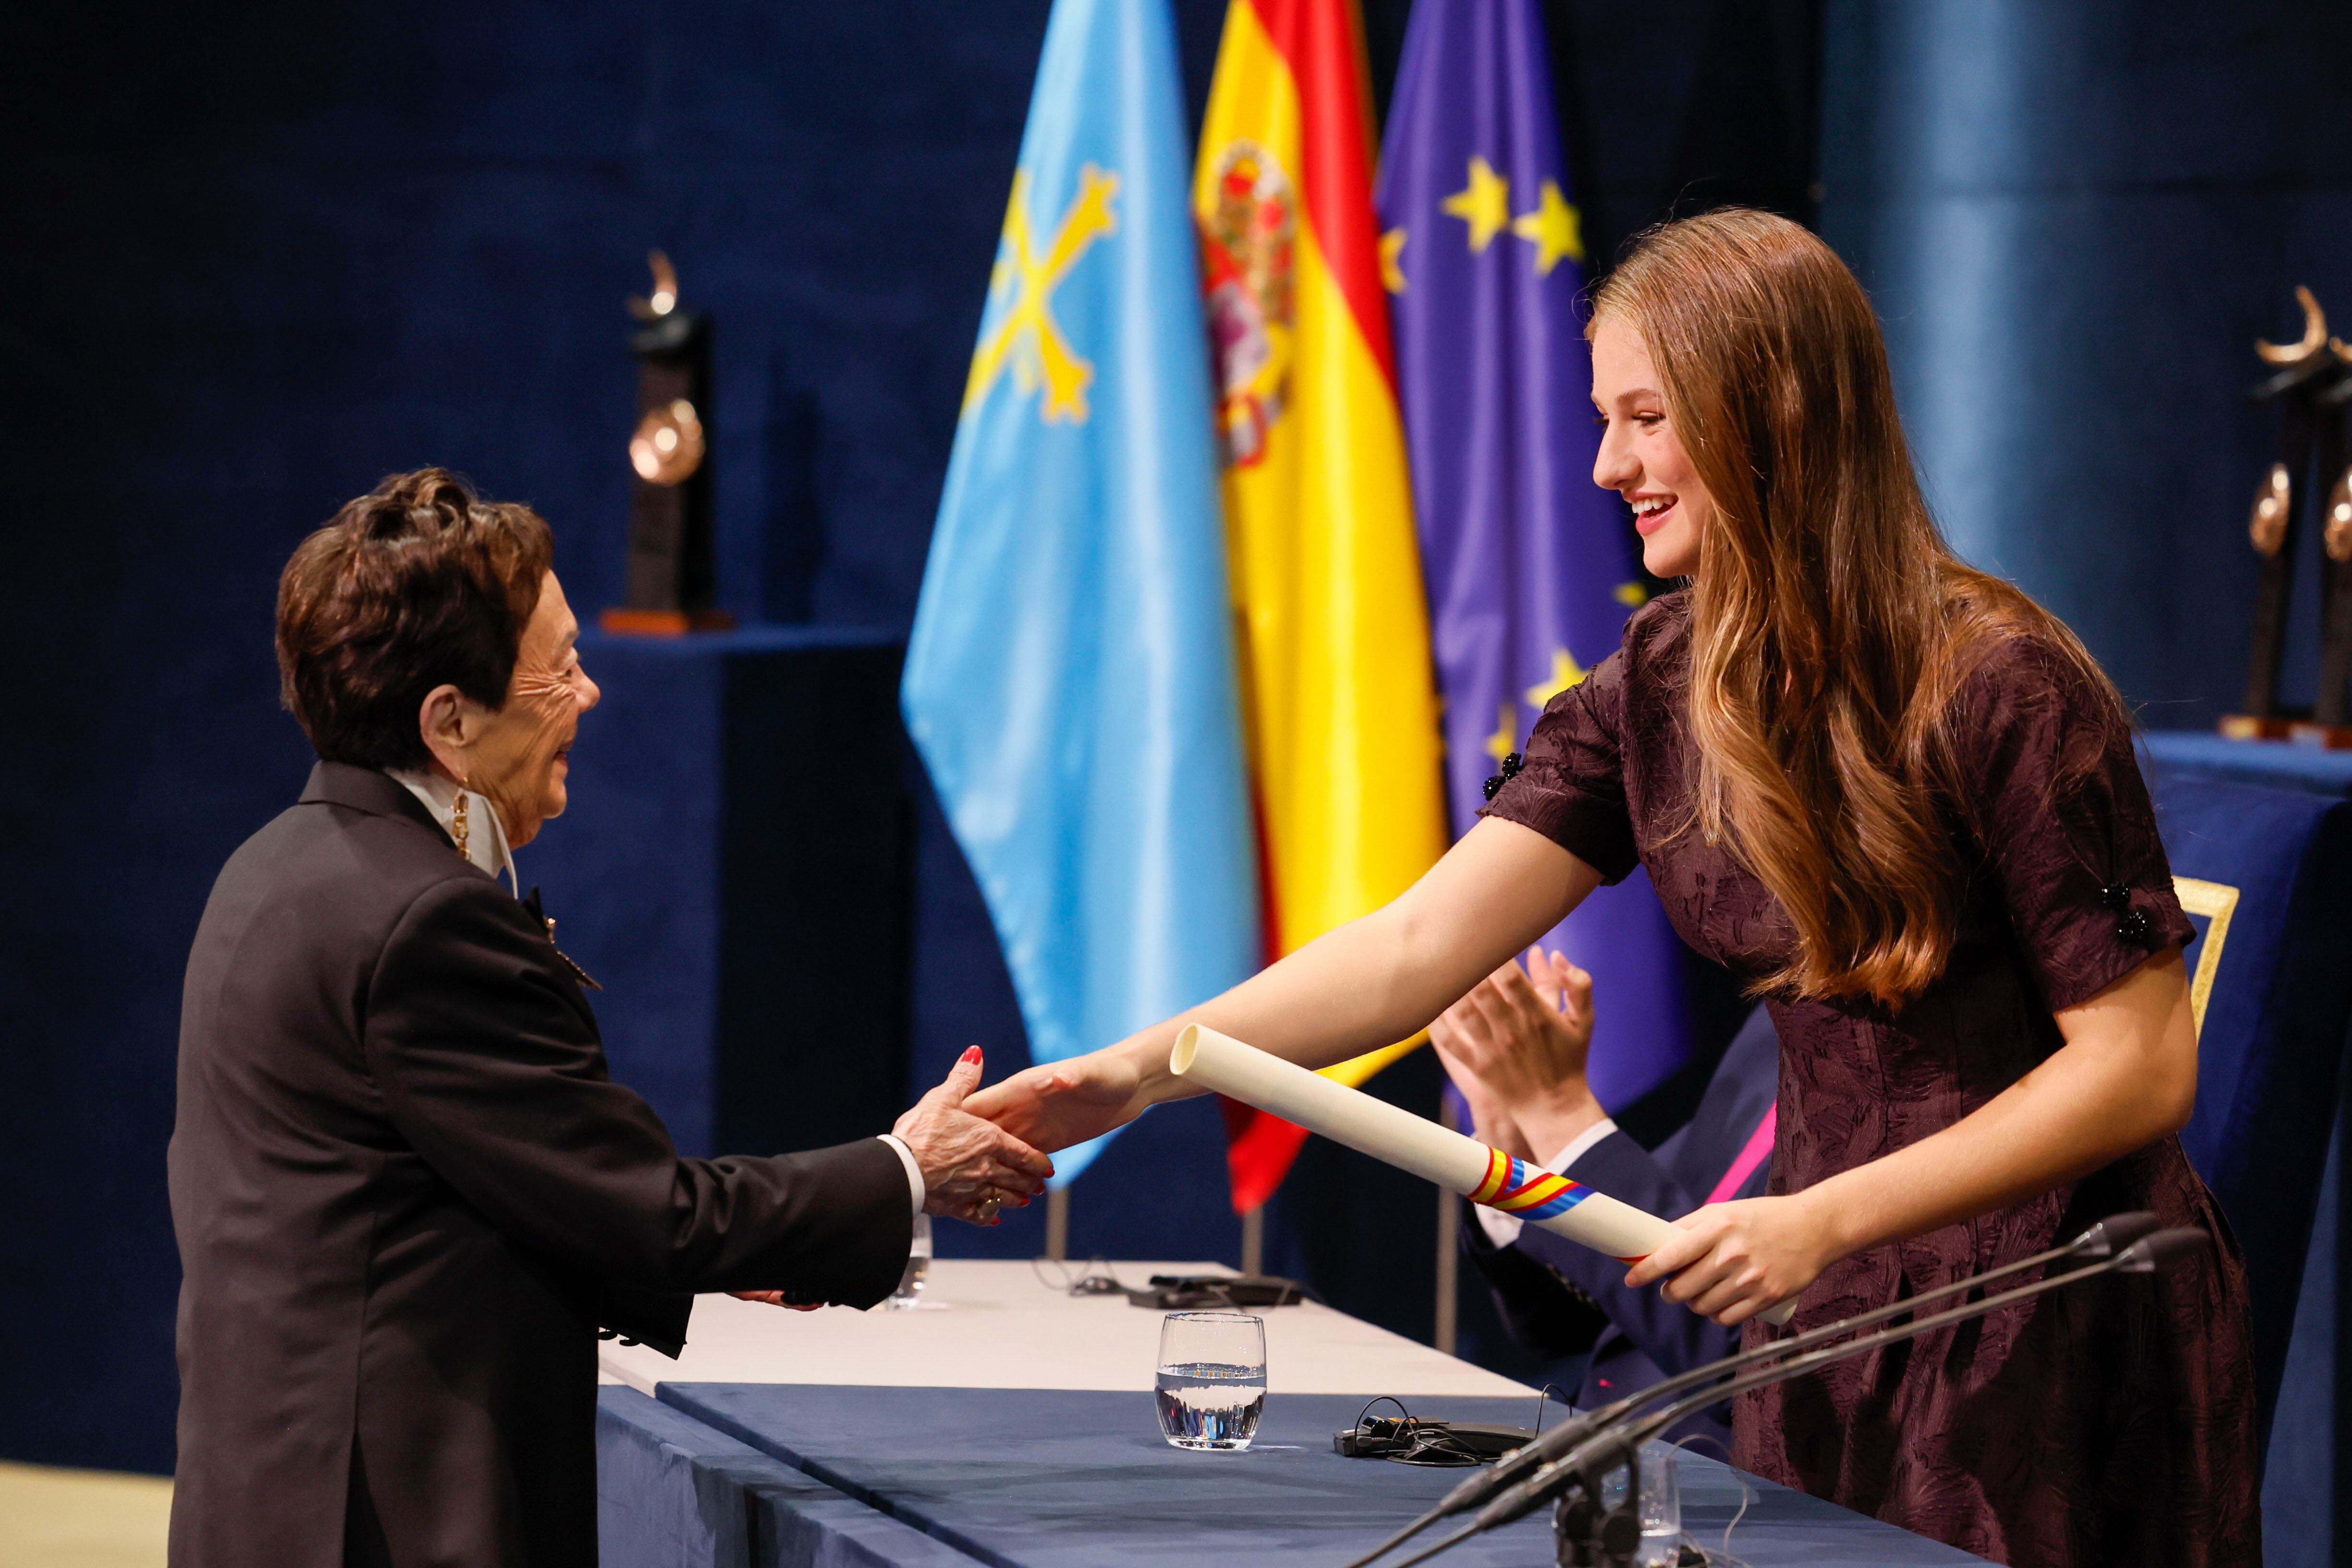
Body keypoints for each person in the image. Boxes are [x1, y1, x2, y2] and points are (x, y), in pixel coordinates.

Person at [969, 209, 2259, 1565]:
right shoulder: (1661, 680)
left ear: (1774, 409)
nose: (1607, 464)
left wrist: (1822, 1220)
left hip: (2047, 1324)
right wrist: (1132, 1075)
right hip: (1825, 1311)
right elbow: (1416, 947)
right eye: (1604, 419)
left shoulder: (2006, 684)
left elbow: (2138, 1067)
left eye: (1646, 417)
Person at [167, 470, 1054, 1568]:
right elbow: (652, 1213)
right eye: (560, 670)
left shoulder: (271, 869)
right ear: (449, 719)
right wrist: (907, 1168)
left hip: (267, 1503)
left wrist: (754, 1253)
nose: (588, 696)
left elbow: (442, 1203)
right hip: (394, 1520)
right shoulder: (425, 921)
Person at [1432, 951, 1777, 1451]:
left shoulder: (1911, 1107)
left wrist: (1559, 1114)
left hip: (1737, 1505)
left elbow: (1756, 1368)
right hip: (1592, 1463)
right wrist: (1520, 1157)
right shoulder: (1780, 1025)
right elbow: (1567, 1323)